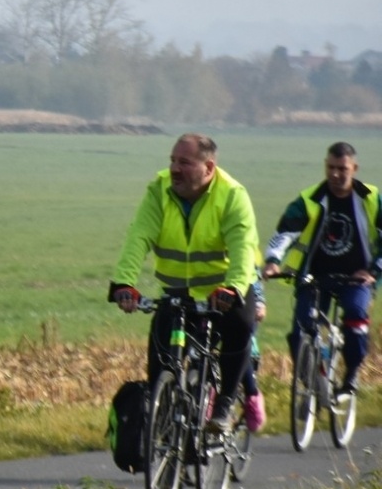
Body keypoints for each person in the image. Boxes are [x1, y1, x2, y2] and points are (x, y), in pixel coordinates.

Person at [110, 134, 260, 434]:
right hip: (177, 293)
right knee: (159, 367)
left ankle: (224, 406)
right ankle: (163, 434)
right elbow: (138, 236)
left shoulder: (232, 195)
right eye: (173, 161)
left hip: (224, 293)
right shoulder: (160, 189)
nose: (175, 169)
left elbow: (243, 247)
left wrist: (233, 289)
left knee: (240, 328)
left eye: (185, 163)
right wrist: (124, 282)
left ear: (208, 167)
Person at [263, 141, 381, 400]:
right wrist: (273, 260)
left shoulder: (371, 199)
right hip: (316, 277)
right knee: (300, 330)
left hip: (357, 278)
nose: (336, 174)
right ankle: (311, 380)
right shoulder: (311, 199)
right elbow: (286, 232)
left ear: (355, 168)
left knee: (356, 313)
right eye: (331, 168)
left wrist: (374, 270)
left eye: (343, 168)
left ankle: (351, 375)